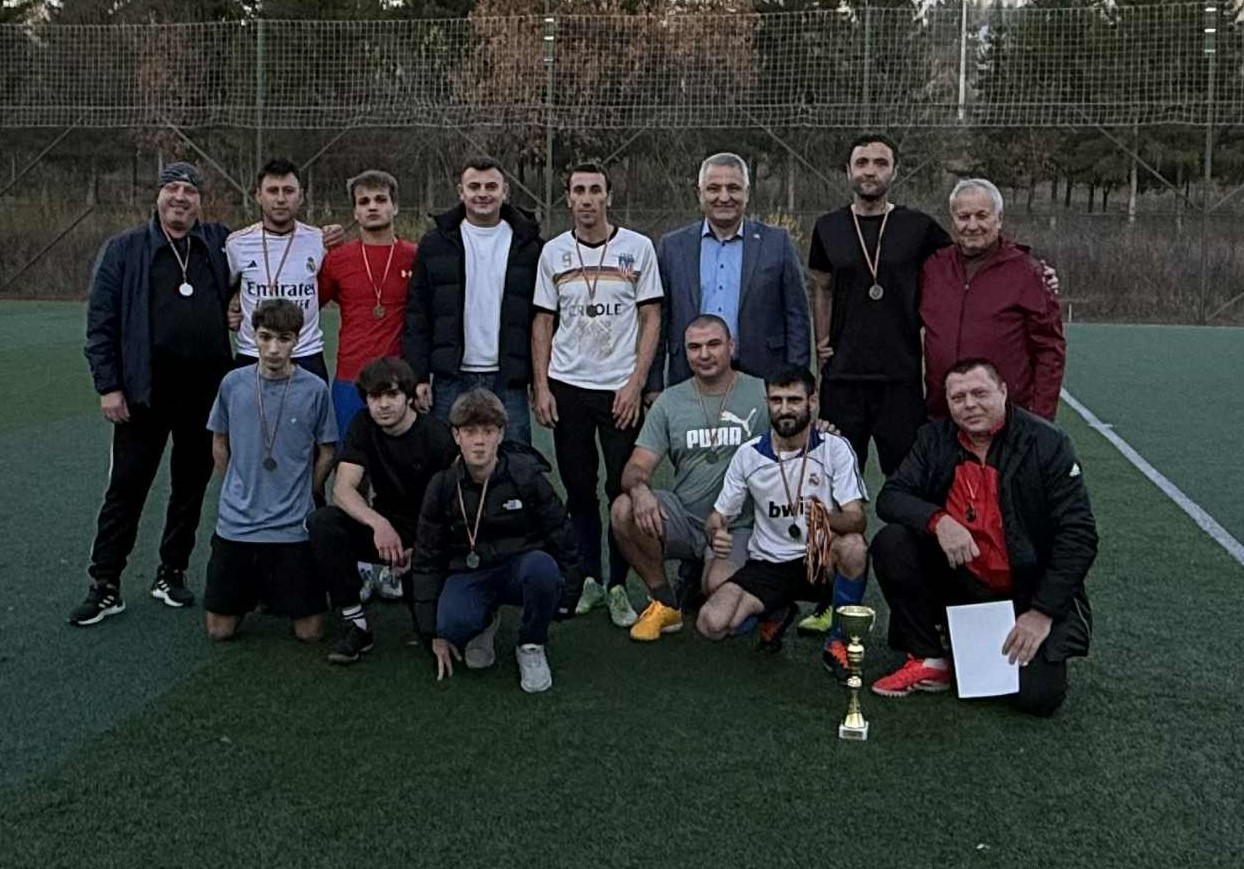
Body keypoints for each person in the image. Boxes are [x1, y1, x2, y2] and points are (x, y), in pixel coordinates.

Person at [869, 359, 1096, 717]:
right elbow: (891, 497)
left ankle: (967, 644)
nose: (969, 405)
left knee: (1037, 699)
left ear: (1003, 392)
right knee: (892, 541)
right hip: (963, 579)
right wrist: (939, 521)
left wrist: (1041, 612)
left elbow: (1079, 535)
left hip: (1025, 591)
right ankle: (930, 656)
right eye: (958, 398)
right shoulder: (934, 439)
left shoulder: (1047, 443)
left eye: (979, 393)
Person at [72, 161, 235, 626]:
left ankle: (171, 572)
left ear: (200, 201)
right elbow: (101, 324)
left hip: (204, 394)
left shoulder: (219, 244)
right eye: (172, 189)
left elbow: (266, 252)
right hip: (144, 393)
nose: (180, 197)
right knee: (127, 488)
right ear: (158, 196)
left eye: (189, 191)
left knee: (189, 488)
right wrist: (109, 386)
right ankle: (105, 583)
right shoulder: (124, 249)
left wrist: (238, 304)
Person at [532, 162, 663, 628]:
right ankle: (588, 577)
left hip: (618, 389)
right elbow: (543, 321)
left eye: (595, 190)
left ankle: (618, 585)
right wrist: (542, 385)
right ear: (568, 198)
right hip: (568, 386)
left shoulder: (638, 248)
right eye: (579, 191)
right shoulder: (553, 252)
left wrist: (635, 383)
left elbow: (651, 317)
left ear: (609, 195)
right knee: (579, 488)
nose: (587, 199)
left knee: (621, 487)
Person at [409, 389, 583, 693]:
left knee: (542, 568)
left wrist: (567, 596)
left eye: (488, 431)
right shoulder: (443, 486)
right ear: (456, 436)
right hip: (469, 572)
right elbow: (426, 557)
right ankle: (485, 620)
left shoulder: (526, 477)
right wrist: (432, 633)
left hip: (519, 568)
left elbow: (562, 534)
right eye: (470, 432)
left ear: (501, 434)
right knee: (450, 626)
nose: (479, 441)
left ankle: (531, 644)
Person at [698, 365, 869, 668]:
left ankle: (838, 641)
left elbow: (857, 520)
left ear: (812, 402)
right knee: (712, 624)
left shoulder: (835, 448)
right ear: (767, 402)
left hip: (818, 559)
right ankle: (777, 610)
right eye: (777, 400)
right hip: (769, 562)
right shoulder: (749, 455)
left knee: (854, 547)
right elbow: (718, 515)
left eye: (794, 400)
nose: (785, 409)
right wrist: (716, 532)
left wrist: (825, 517)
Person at [611, 315, 769, 641]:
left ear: (731, 347)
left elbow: (798, 434)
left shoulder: (761, 393)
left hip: (735, 525)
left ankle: (721, 583)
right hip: (685, 517)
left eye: (713, 344)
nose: (704, 354)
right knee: (623, 509)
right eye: (695, 347)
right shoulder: (670, 401)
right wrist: (640, 491)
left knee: (720, 593)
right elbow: (636, 465)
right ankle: (665, 601)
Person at [808, 134, 950, 481]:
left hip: (900, 376)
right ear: (848, 171)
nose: (870, 171)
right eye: (862, 163)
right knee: (835, 480)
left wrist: (1037, 271)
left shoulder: (918, 226)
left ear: (894, 172)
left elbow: (962, 263)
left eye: (880, 163)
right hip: (843, 377)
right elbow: (822, 286)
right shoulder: (828, 227)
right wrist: (822, 340)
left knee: (907, 479)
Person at [202, 300, 338, 643]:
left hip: (292, 526)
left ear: (297, 340)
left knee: (310, 633)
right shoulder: (233, 384)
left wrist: (309, 491)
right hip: (239, 523)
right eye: (265, 337)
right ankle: (256, 590)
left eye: (284, 338)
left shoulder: (315, 389)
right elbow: (219, 441)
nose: (274, 349)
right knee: (219, 631)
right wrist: (235, 485)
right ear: (253, 336)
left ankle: (281, 588)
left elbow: (327, 451)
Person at [306, 357, 458, 664]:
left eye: (392, 395)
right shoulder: (363, 424)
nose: (383, 405)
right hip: (385, 528)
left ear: (409, 397)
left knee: (431, 630)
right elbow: (343, 490)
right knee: (324, 522)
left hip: (429, 533)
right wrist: (378, 524)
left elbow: (454, 507)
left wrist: (422, 547)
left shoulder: (437, 436)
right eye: (375, 397)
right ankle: (356, 624)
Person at [403, 156, 543, 445]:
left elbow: (541, 317)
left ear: (505, 191)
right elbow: (418, 314)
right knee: (446, 457)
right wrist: (418, 375)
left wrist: (538, 380)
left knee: (515, 458)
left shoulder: (530, 246)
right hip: (451, 376)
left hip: (508, 378)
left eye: (491, 186)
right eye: (474, 186)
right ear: (461, 192)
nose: (482, 193)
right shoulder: (434, 244)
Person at [655, 152, 811, 388]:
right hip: (688, 378)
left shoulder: (777, 243)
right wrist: (653, 383)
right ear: (700, 194)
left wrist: (797, 378)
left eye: (733, 188)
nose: (724, 197)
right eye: (713, 189)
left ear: (747, 193)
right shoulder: (672, 247)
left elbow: (797, 316)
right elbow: (659, 320)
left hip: (761, 375)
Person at [920, 178, 1065, 420]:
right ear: (953, 220)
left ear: (999, 219)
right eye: (964, 217)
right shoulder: (933, 268)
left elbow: (1049, 349)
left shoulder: (1027, 272)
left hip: (1007, 417)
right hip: (943, 414)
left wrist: (1041, 417)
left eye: (982, 216)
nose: (972, 225)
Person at [318, 170, 419, 437]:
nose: (372, 207)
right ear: (355, 212)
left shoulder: (414, 256)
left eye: (380, 199)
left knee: (399, 457)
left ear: (395, 207)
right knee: (350, 454)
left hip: (398, 378)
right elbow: (307, 302)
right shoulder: (336, 259)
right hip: (351, 378)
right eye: (364, 202)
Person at [226, 158, 330, 382]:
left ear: (300, 196)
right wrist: (231, 304)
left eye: (288, 191)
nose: (281, 199)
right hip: (253, 353)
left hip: (305, 354)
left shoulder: (319, 241)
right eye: (273, 191)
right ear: (258, 195)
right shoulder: (237, 244)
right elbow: (225, 288)